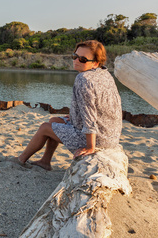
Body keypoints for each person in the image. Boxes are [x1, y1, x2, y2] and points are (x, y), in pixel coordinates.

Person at [15, 40, 122, 171]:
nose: (76, 61)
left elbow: (90, 116)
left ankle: (21, 160)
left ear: (95, 62)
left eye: (83, 59)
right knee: (54, 121)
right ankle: (45, 161)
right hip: (111, 135)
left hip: (98, 139)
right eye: (75, 56)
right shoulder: (105, 74)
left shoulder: (84, 79)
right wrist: (74, 116)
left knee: (44, 128)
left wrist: (90, 147)